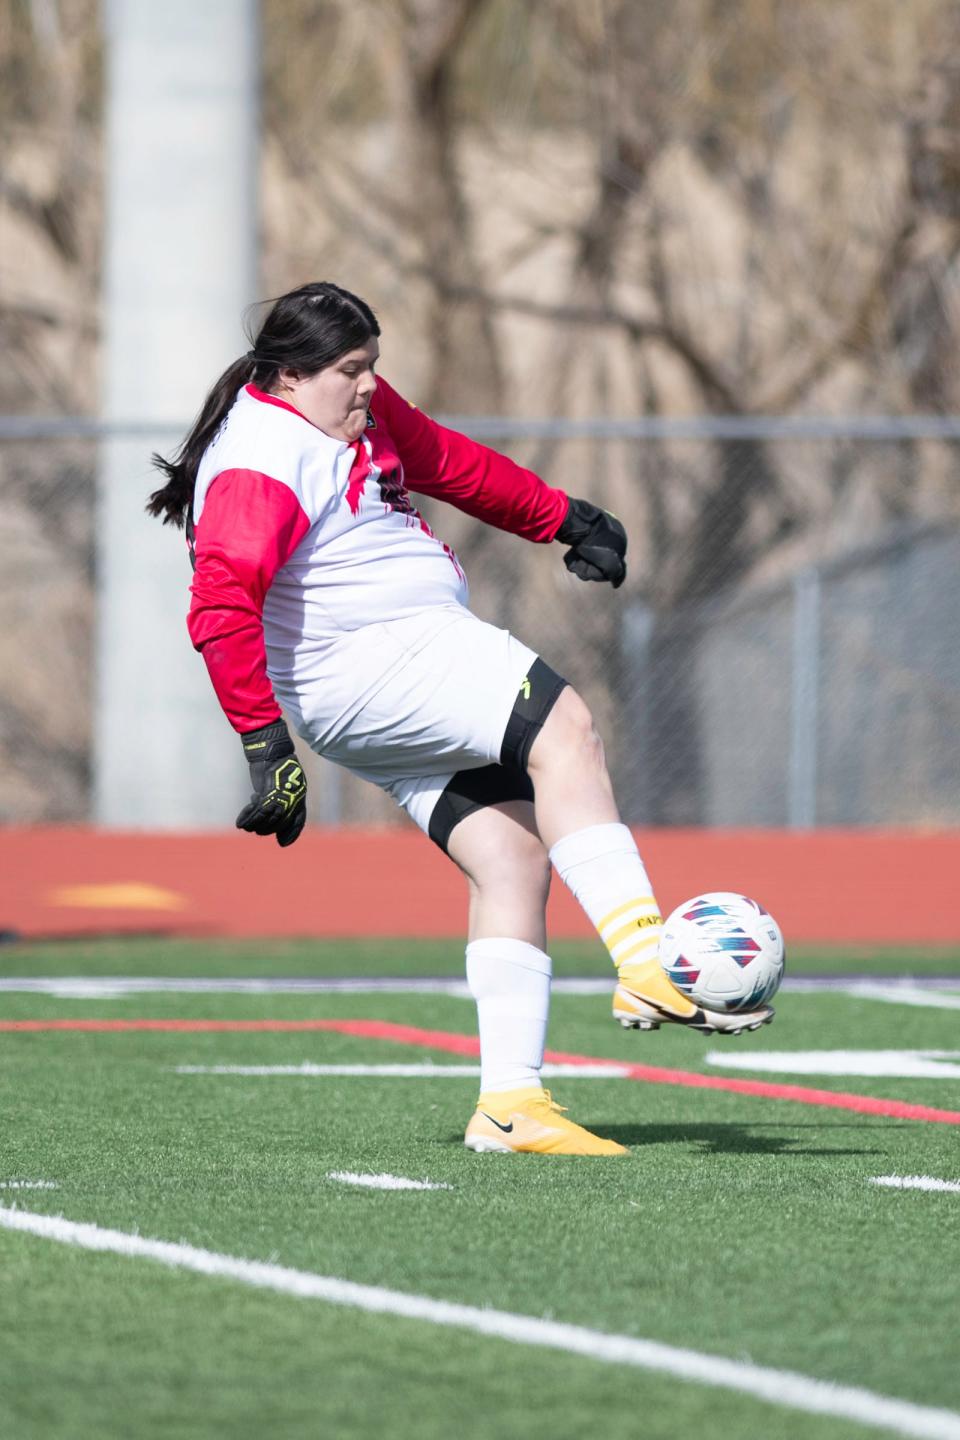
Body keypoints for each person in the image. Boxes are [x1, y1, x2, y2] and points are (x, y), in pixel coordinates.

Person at [148, 281, 773, 1157]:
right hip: (382, 659)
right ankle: (644, 959)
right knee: (569, 729)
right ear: (287, 377)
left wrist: (562, 518)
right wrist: (262, 744)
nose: (368, 388)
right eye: (348, 372)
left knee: (514, 854)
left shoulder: (343, 411)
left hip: (380, 679)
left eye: (372, 367)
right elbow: (219, 605)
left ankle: (511, 1104)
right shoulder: (259, 458)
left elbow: (442, 458)